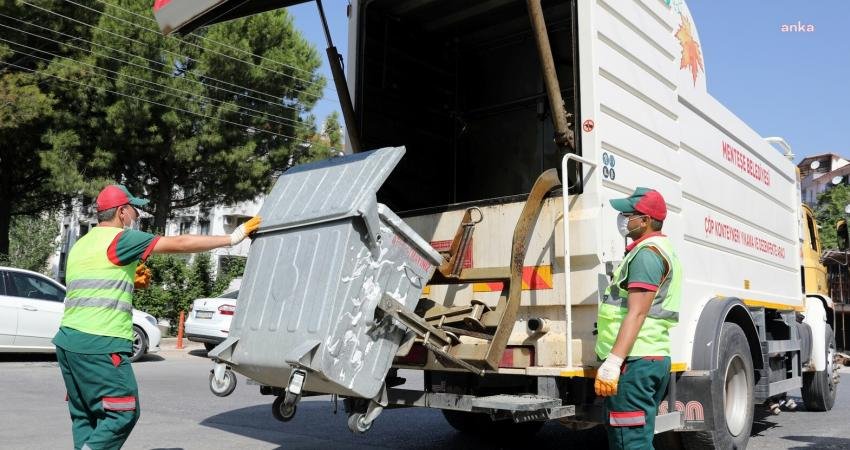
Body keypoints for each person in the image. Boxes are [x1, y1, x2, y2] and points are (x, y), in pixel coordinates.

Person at [53, 184, 261, 450]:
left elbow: (93, 282)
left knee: (86, 416)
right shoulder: (120, 239)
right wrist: (233, 238)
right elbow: (180, 243)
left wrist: (127, 278)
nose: (136, 216)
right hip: (101, 345)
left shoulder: (81, 244)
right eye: (133, 210)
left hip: (68, 343)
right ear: (121, 212)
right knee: (122, 413)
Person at [594, 187, 682, 449]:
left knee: (629, 443)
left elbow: (638, 311)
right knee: (634, 438)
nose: (623, 218)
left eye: (628, 214)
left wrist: (613, 362)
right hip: (644, 358)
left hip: (635, 362)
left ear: (644, 220)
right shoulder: (653, 249)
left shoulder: (647, 254)